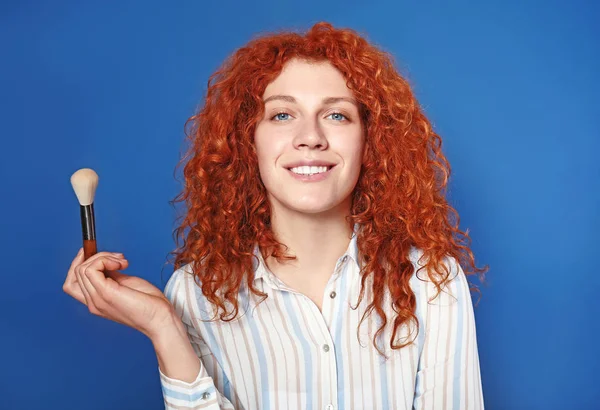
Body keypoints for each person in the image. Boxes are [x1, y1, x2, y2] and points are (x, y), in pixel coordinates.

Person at [63, 22, 488, 409]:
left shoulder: (432, 283)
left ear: (371, 141)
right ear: (248, 142)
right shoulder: (196, 294)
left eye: (336, 115)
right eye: (282, 115)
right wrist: (164, 328)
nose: (310, 138)